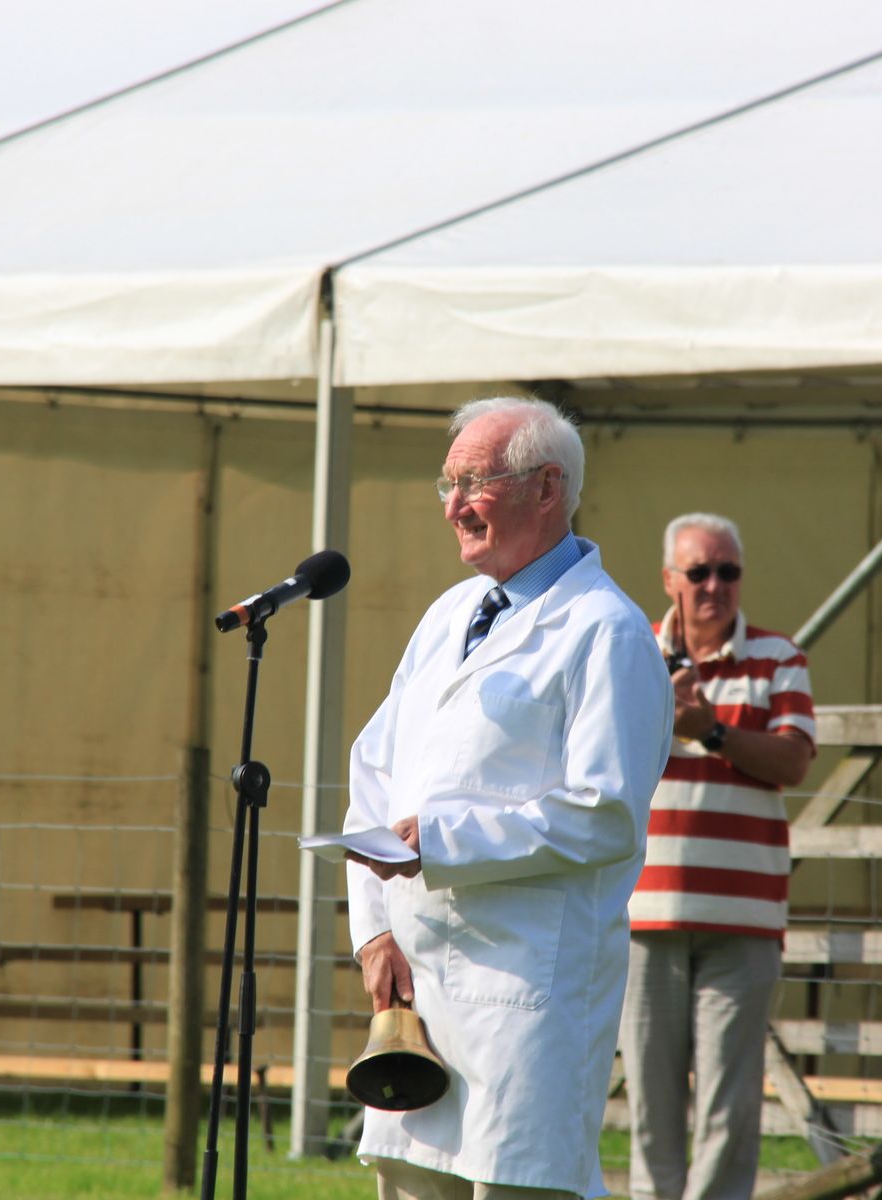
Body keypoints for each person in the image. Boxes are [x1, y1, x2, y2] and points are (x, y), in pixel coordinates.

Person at [343, 396, 674, 1200]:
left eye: (475, 483)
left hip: (525, 1000)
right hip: (417, 995)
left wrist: (446, 842)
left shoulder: (607, 632)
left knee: (517, 1186)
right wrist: (374, 931)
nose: (454, 505)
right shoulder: (447, 617)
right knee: (412, 1183)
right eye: (447, 483)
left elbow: (605, 814)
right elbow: (374, 770)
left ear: (546, 488)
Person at [620, 513, 816, 1200]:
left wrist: (714, 732)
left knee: (730, 1114)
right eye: (698, 572)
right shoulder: (628, 651)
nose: (714, 586)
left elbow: (794, 760)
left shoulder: (780, 656)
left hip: (744, 920)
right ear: (667, 580)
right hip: (644, 917)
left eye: (727, 571)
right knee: (649, 1112)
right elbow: (592, 767)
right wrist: (657, 721)